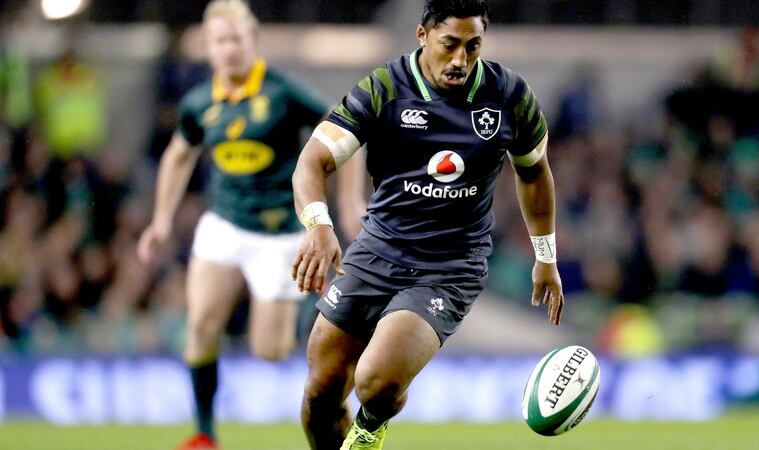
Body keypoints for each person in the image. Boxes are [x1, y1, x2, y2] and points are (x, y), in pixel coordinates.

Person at [291, 1, 565, 448]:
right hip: (376, 251)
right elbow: (313, 161)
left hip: (449, 266)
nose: (461, 59)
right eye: (450, 45)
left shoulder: (510, 96)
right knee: (321, 390)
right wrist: (319, 226)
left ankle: (369, 430)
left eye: (473, 47)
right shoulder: (384, 87)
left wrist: (545, 257)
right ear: (423, 36)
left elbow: (535, 172)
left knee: (376, 381)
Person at [136, 1, 364, 449]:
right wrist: (161, 219)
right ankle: (205, 434)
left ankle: (319, 330)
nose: (229, 49)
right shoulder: (201, 102)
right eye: (220, 41)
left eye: (236, 39)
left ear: (253, 42)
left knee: (270, 350)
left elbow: (345, 135)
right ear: (208, 47)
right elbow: (179, 154)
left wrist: (351, 202)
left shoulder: (284, 93)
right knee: (200, 324)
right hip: (224, 225)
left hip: (279, 235)